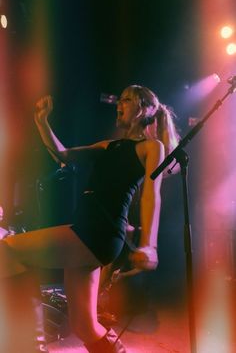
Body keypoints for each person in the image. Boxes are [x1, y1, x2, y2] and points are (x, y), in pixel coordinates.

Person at [0, 84, 180, 352]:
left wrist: (149, 244)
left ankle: (29, 345)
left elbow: (151, 195)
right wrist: (42, 122)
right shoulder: (109, 145)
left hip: (99, 231)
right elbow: (63, 154)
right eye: (119, 99)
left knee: (7, 250)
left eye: (127, 99)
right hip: (87, 228)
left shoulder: (151, 146)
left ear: (146, 109)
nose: (119, 103)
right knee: (84, 325)